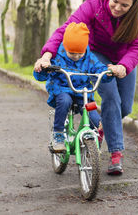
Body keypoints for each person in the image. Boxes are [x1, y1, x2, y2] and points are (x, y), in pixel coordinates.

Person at [34, 0, 138, 175]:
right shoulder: (94, 3)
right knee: (111, 98)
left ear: (133, 5)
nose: (118, 7)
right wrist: (47, 54)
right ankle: (115, 154)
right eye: (115, 1)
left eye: (124, 5)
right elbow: (68, 28)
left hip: (124, 58)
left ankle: (102, 128)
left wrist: (124, 66)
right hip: (97, 55)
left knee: (125, 107)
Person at [33, 22, 113, 152]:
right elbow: (42, 75)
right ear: (65, 46)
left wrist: (108, 73)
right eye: (72, 53)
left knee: (94, 116)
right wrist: (41, 69)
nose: (76, 57)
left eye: (79, 54)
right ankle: (58, 134)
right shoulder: (57, 57)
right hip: (62, 89)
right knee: (65, 101)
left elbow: (99, 69)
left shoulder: (89, 58)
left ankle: (94, 139)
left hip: (83, 92)